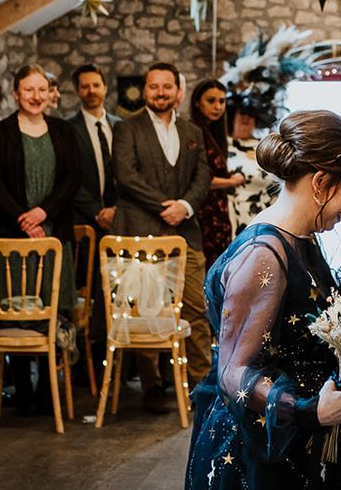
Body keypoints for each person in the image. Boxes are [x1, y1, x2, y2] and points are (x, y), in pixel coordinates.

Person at [186, 110, 341, 489]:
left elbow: (317, 306)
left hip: (296, 443)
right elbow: (233, 374)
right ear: (321, 182)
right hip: (260, 451)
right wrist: (309, 410)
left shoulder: (300, 238)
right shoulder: (264, 255)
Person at [0, 64, 81, 414]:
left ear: (50, 94)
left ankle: (48, 392)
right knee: (16, 311)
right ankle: (22, 390)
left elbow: (73, 177)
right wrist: (23, 220)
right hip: (12, 239)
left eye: (42, 90)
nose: (36, 97)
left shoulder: (64, 132)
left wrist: (44, 213)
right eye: (29, 90)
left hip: (53, 234)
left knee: (52, 312)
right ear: (16, 93)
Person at [112, 62, 212, 414]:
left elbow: (203, 175)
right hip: (142, 231)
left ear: (177, 91)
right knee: (148, 308)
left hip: (185, 234)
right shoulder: (127, 128)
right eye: (153, 86)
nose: (160, 92)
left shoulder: (192, 131)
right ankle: (152, 385)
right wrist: (163, 207)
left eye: (166, 86)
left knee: (198, 310)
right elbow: (125, 175)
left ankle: (202, 384)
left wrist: (185, 205)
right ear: (145, 91)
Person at [190, 79, 244, 269]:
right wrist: (232, 182)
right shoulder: (193, 132)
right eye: (211, 101)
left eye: (221, 101)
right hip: (202, 211)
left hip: (218, 211)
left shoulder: (215, 133)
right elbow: (202, 180)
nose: (217, 106)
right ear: (197, 102)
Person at [67, 64, 120, 232]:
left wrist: (116, 210)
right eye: (85, 86)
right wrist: (96, 212)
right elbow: (68, 176)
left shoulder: (121, 126)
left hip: (120, 217)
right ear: (77, 90)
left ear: (105, 88)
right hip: (83, 219)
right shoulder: (67, 129)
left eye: (96, 85)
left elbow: (130, 172)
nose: (91, 91)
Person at [227, 101, 277, 237]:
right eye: (242, 113)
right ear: (233, 117)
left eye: (250, 114)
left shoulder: (264, 146)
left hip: (264, 214)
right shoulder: (224, 145)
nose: (245, 118)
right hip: (232, 214)